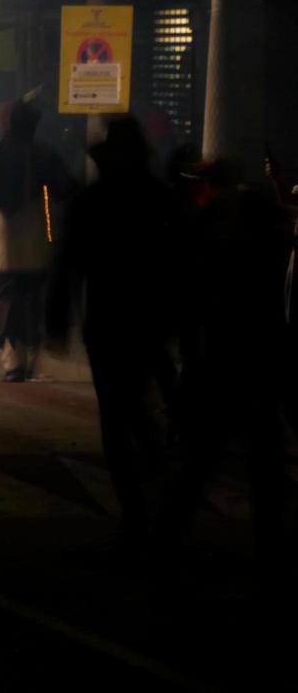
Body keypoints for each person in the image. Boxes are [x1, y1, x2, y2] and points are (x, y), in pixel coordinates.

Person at [46, 117, 180, 554]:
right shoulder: (159, 199)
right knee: (136, 403)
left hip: (106, 323)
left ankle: (137, 515)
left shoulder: (93, 201)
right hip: (148, 321)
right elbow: (182, 262)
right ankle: (156, 474)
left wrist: (57, 316)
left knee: (115, 417)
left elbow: (68, 264)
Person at [154, 158, 291, 569]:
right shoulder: (263, 226)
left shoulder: (210, 227)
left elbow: (185, 300)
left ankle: (164, 549)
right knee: (264, 472)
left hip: (220, 367)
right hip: (257, 368)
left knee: (197, 466)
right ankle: (272, 557)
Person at [0, 95, 74, 381]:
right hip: (36, 243)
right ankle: (30, 356)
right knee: (31, 299)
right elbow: (64, 193)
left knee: (4, 300)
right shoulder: (45, 155)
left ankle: (13, 362)